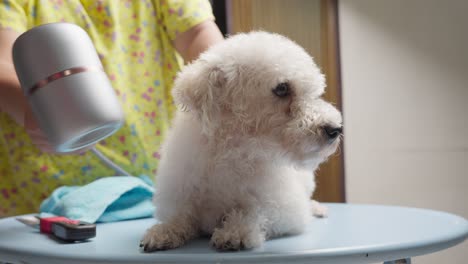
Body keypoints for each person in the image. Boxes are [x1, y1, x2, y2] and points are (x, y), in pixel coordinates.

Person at [0, 0, 224, 217]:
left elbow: (197, 33)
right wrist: (32, 110)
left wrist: (221, 85)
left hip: (152, 189)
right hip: (39, 209)